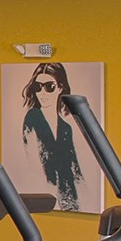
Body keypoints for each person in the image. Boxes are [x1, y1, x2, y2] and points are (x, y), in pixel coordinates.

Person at [21, 62, 83, 211]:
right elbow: (33, 162)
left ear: (60, 88)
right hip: (46, 197)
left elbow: (74, 168)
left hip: (68, 199)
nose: (42, 93)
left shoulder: (66, 128)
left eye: (49, 86)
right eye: (37, 87)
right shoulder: (33, 118)